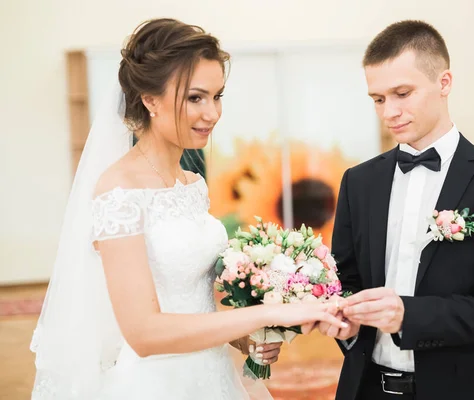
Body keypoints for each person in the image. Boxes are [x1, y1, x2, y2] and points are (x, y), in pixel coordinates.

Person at [30, 18, 345, 400]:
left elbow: (199, 303)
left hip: (213, 376)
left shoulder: (193, 184)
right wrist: (268, 314)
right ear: (149, 99)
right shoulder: (118, 192)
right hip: (156, 384)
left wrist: (248, 339)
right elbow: (144, 333)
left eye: (217, 96)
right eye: (196, 98)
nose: (211, 113)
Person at [309, 20, 474, 399]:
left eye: (402, 93)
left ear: (444, 83)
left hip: (459, 389)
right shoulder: (358, 182)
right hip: (366, 386)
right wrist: (346, 322)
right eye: (378, 99)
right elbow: (345, 278)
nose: (389, 112)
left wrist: (409, 316)